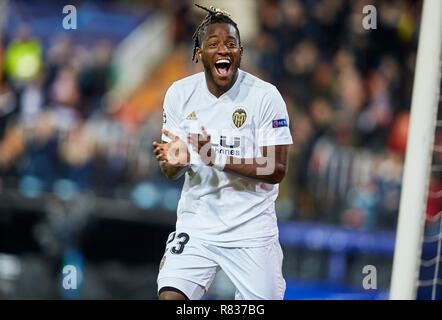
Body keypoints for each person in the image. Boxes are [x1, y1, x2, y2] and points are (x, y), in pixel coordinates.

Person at [152, 4, 293, 300]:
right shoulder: (180, 94)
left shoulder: (265, 97)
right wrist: (176, 162)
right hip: (198, 224)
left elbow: (277, 169)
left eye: (231, 44)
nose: (223, 50)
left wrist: (215, 157)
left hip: (251, 230)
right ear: (199, 53)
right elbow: (171, 170)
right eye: (214, 44)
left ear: (240, 52)